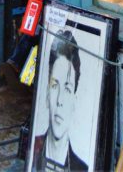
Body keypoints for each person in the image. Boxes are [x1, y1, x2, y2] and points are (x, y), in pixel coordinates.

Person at [32, 31, 87, 171]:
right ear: (47, 92)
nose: (60, 101)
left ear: (75, 99)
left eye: (68, 89)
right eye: (55, 85)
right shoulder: (32, 152)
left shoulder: (82, 168)